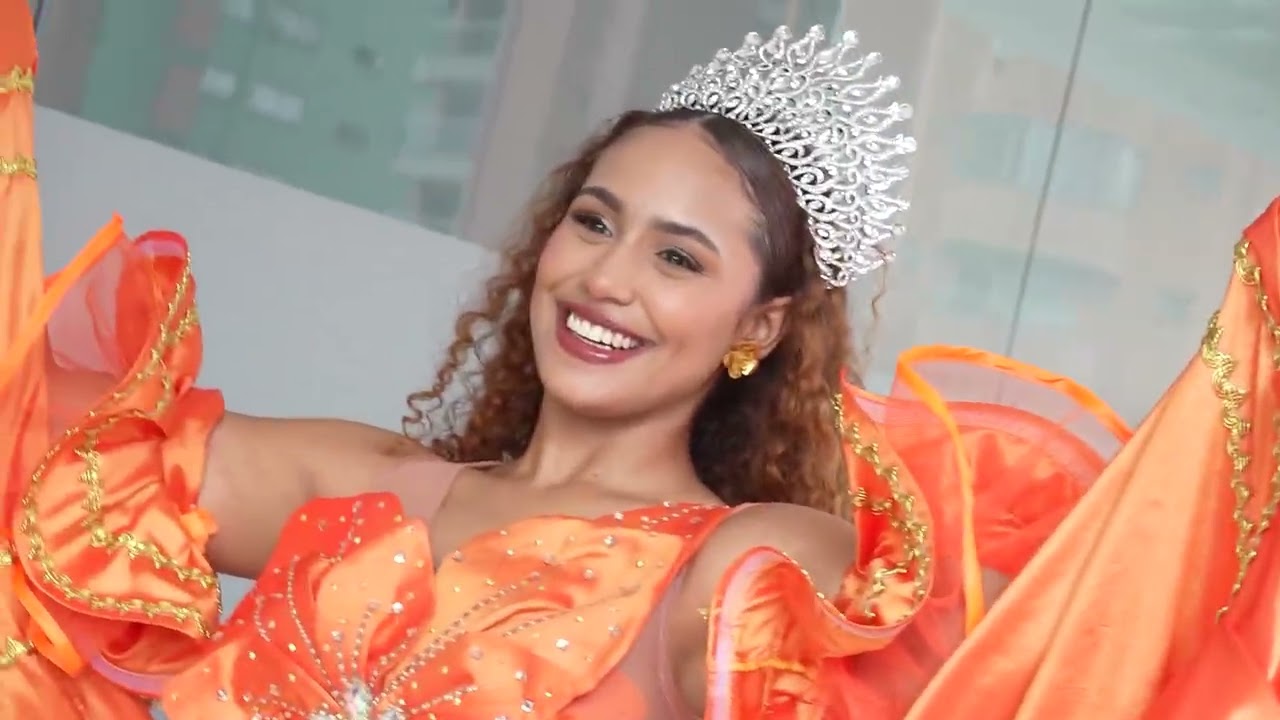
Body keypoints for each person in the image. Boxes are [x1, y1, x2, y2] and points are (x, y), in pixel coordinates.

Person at [1, 2, 1276, 717]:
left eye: (677, 257)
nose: (606, 278)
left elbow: (1054, 657)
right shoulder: (354, 481)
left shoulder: (739, 569)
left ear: (757, 329)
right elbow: (29, 432)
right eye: (594, 222)